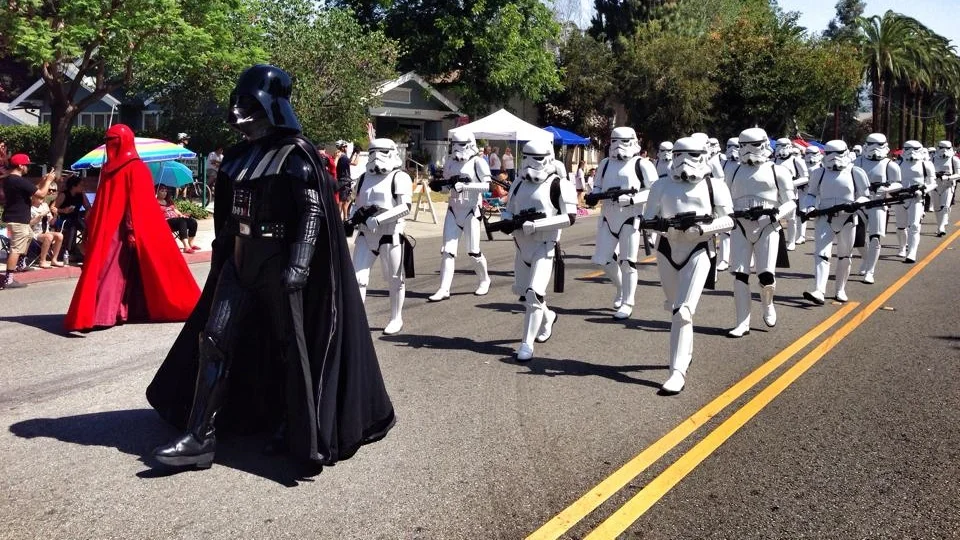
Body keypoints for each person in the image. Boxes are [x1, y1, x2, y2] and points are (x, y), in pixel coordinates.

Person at [147, 64, 394, 470]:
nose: (238, 113)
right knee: (214, 339)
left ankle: (291, 423)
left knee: (288, 347)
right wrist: (222, 244)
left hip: (278, 262)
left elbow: (312, 211)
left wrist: (298, 263)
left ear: (268, 105)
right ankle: (200, 435)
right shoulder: (240, 157)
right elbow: (230, 211)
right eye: (237, 102)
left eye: (248, 103)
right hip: (240, 261)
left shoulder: (296, 155)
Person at [64, 125, 200, 330]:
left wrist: (131, 229)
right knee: (111, 269)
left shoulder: (132, 168)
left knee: (119, 269)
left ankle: (109, 312)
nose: (110, 145)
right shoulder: (110, 169)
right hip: (113, 230)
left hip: (125, 229)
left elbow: (137, 204)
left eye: (113, 140)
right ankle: (105, 313)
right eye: (108, 140)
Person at [643, 136, 734, 394]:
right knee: (676, 309)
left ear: (703, 155)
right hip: (667, 249)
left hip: (699, 248)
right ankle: (686, 353)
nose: (684, 161)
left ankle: (677, 371)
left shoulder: (714, 186)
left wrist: (704, 228)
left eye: (691, 155)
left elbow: (728, 220)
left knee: (683, 310)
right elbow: (647, 218)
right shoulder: (661, 186)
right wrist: (660, 226)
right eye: (679, 154)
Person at [497, 139, 577, 361]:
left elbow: (570, 217)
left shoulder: (559, 184)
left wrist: (537, 225)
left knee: (534, 294)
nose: (532, 163)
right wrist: (505, 222)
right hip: (521, 247)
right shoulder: (518, 183)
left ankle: (526, 344)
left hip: (545, 246)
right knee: (524, 296)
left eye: (538, 158)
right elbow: (509, 209)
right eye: (528, 157)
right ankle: (548, 316)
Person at [724, 128, 796, 337]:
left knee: (766, 275)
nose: (748, 150)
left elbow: (791, 201)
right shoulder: (733, 171)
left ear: (764, 144)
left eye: (753, 144)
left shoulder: (778, 171)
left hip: (768, 226)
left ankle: (767, 304)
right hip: (740, 226)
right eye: (743, 145)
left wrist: (776, 214)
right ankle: (742, 322)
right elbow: (723, 198)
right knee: (739, 275)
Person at [587, 127, 658, 320]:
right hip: (608, 216)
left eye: (624, 141)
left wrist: (633, 199)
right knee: (602, 259)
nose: (618, 146)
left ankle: (628, 301)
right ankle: (620, 288)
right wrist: (594, 195)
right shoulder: (605, 163)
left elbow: (655, 191)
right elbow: (598, 185)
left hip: (630, 217)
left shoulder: (642, 164)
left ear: (634, 142)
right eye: (615, 141)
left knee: (627, 262)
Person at [350, 138, 413, 335]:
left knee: (395, 280)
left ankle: (396, 318)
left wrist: (379, 219)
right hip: (365, 234)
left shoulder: (400, 177)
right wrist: (353, 219)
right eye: (373, 152)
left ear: (392, 152)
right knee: (358, 278)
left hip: (390, 234)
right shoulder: (362, 178)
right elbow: (356, 203)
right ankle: (356, 319)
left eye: (382, 151)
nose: (376, 156)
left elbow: (405, 207)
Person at [800, 140, 870, 305]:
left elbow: (865, 195)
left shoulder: (856, 172)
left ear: (845, 152)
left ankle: (840, 289)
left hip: (848, 218)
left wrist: (856, 203)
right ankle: (819, 290)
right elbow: (811, 194)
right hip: (824, 217)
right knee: (821, 254)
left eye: (837, 153)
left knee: (844, 256)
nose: (833, 158)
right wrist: (809, 207)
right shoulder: (819, 173)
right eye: (829, 153)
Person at [427, 131, 492, 301]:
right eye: (454, 144)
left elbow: (487, 187)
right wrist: (439, 187)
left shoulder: (478, 162)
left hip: (471, 210)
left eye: (461, 145)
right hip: (454, 209)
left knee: (473, 251)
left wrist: (466, 187)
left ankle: (485, 279)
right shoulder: (450, 162)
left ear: (470, 144)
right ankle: (443, 288)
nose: (457, 148)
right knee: (448, 251)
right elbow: (448, 187)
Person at [1, 154, 56, 290]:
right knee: (16, 248)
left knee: (29, 236)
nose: (27, 168)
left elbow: (31, 191)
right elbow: (42, 194)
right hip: (18, 219)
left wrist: (43, 181)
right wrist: (49, 181)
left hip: (15, 217)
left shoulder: (10, 180)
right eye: (26, 165)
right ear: (20, 166)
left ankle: (21, 265)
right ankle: (8, 279)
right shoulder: (19, 180)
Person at [852, 133, 900, 284]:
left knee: (875, 238)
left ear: (885, 146)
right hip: (859, 203)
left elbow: (898, 183)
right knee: (857, 239)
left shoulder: (889, 164)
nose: (874, 149)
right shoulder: (856, 162)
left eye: (878, 145)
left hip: (878, 204)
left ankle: (870, 271)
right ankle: (866, 260)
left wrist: (885, 189)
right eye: (871, 144)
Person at [893, 140, 936, 264]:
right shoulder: (898, 164)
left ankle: (912, 252)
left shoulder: (926, 164)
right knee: (901, 226)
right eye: (908, 149)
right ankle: (902, 247)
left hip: (917, 199)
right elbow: (892, 181)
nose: (911, 152)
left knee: (915, 226)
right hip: (900, 198)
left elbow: (933, 183)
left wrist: (923, 191)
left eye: (915, 149)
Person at [774, 138, 809, 250]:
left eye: (784, 146)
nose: (781, 149)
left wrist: (791, 183)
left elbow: (806, 178)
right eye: (779, 146)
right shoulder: (773, 161)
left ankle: (791, 241)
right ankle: (776, 240)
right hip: (774, 193)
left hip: (790, 192)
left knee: (791, 218)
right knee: (773, 217)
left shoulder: (796, 160)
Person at [51, 175, 91, 264]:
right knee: (72, 226)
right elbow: (52, 208)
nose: (83, 187)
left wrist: (83, 193)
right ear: (74, 186)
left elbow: (88, 207)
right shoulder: (64, 195)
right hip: (63, 218)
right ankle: (68, 251)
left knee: (88, 227)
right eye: (81, 185)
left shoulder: (80, 195)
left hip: (76, 217)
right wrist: (64, 210)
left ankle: (83, 247)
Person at [717, 137, 741, 272]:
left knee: (745, 231)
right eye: (729, 146)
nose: (732, 150)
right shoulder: (723, 164)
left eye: (736, 146)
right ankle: (724, 259)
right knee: (725, 230)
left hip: (741, 200)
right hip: (726, 200)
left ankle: (748, 259)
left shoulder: (745, 164)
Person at [157, 185, 200, 253]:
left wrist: (181, 215)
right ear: (157, 192)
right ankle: (186, 247)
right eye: (162, 191)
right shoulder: (154, 202)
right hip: (165, 222)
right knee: (181, 221)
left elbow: (175, 210)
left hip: (176, 220)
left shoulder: (168, 201)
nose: (164, 193)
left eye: (165, 191)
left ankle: (191, 243)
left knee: (192, 221)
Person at [931, 140, 960, 237]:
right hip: (935, 185)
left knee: (945, 206)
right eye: (942, 148)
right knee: (937, 208)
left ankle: (941, 227)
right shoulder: (932, 159)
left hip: (948, 185)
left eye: (947, 148)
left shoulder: (954, 159)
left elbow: (958, 174)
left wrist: (948, 177)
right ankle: (939, 225)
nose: (944, 150)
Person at [30, 194, 65, 268]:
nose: (41, 199)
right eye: (39, 197)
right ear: (33, 198)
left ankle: (54, 260)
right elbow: (29, 224)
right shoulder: (30, 208)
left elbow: (51, 222)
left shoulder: (45, 205)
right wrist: (40, 216)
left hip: (45, 231)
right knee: (49, 236)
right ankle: (42, 261)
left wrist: (55, 215)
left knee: (60, 235)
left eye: (42, 197)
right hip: (34, 232)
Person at [335, 141, 353, 220]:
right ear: (342, 147)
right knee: (342, 201)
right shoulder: (342, 156)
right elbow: (354, 163)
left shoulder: (339, 155)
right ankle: (339, 220)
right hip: (344, 181)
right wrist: (357, 154)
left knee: (344, 201)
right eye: (345, 147)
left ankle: (345, 219)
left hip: (341, 180)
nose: (346, 148)